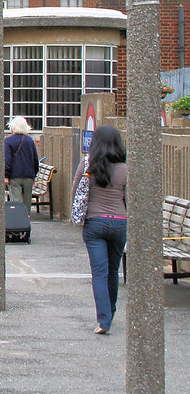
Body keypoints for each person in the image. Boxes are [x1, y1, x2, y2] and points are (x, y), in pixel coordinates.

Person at [74, 125, 128, 335]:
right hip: (119, 222)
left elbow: (76, 190)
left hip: (94, 222)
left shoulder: (87, 164)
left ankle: (103, 320)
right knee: (113, 271)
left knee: (99, 272)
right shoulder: (124, 168)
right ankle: (111, 312)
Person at [4, 115, 40, 212]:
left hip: (14, 176)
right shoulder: (30, 141)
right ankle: (26, 218)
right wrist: (34, 175)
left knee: (16, 201)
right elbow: (35, 159)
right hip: (28, 176)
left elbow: (7, 160)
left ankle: (17, 219)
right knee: (27, 201)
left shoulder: (8, 141)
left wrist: (6, 175)